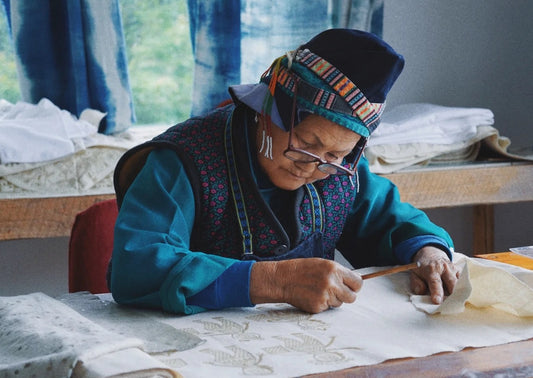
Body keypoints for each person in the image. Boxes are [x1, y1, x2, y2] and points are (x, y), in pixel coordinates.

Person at [109, 28, 459, 315]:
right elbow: (135, 265)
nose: (314, 165)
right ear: (266, 110)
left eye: (337, 153)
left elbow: (390, 219)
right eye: (307, 142)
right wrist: (276, 281)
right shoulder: (185, 161)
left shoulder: (336, 170)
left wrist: (428, 251)